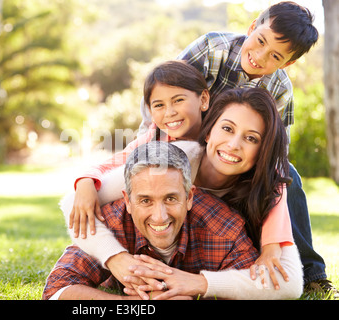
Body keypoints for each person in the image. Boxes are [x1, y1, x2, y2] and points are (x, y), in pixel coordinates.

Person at [135, 1, 335, 296]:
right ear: (252, 26)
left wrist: (271, 242)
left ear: (287, 63)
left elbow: (275, 158)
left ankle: (310, 270)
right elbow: (163, 90)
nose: (259, 56)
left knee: (287, 176)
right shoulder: (212, 48)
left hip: (236, 160)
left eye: (275, 56)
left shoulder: (279, 90)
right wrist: (148, 143)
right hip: (184, 145)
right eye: (260, 41)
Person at [63, 87, 303, 299]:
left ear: (263, 150)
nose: (234, 144)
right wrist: (116, 259)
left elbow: (290, 285)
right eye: (227, 128)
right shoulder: (174, 160)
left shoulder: (266, 191)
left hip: (217, 258)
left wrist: (200, 283)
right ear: (208, 132)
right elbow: (74, 204)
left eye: (251, 138)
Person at [43, 142, 303, 300]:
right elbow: (56, 291)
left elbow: (264, 287)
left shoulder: (224, 229)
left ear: (190, 196)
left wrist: (197, 288)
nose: (159, 216)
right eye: (145, 200)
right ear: (128, 200)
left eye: (170, 199)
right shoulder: (110, 221)